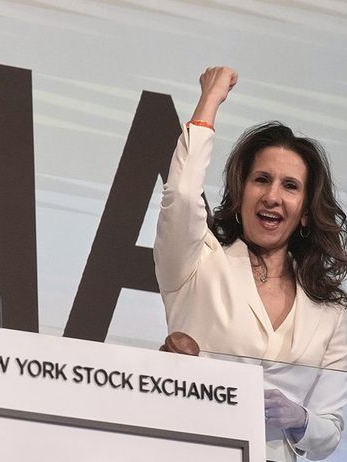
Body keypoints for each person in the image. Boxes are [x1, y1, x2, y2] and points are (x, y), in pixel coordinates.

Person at [154, 66, 347, 460]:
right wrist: (210, 101)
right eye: (261, 179)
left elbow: (330, 432)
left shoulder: (333, 311)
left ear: (306, 212)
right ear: (240, 193)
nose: (273, 196)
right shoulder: (197, 264)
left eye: (290, 186)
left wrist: (300, 419)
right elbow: (184, 195)